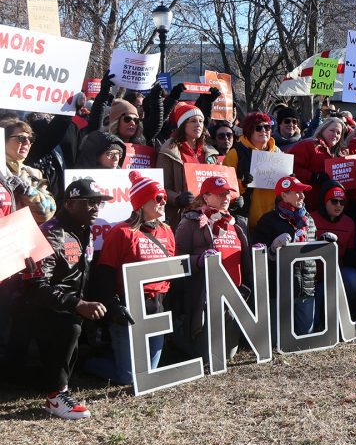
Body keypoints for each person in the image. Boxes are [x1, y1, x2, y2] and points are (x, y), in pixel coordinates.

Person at [22, 179, 111, 419]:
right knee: (69, 326)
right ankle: (56, 395)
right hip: (41, 308)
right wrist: (77, 305)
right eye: (90, 202)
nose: (95, 208)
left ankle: (61, 384)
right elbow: (36, 286)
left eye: (99, 203)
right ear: (70, 204)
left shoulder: (84, 230)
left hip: (69, 304)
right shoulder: (51, 233)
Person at [85, 171, 174, 384]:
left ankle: (116, 357)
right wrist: (114, 307)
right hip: (128, 308)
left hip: (156, 307)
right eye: (158, 198)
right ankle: (86, 361)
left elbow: (172, 272)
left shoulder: (167, 232)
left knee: (148, 373)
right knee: (130, 378)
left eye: (164, 198)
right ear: (141, 202)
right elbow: (104, 274)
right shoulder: (121, 233)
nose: (163, 202)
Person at [174, 175, 250, 360]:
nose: (225, 197)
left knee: (228, 355)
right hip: (205, 295)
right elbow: (176, 259)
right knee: (207, 356)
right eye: (219, 194)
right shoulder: (191, 222)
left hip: (233, 294)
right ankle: (176, 338)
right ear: (206, 197)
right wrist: (198, 261)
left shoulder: (237, 222)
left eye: (227, 193)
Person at [253, 176, 318, 334]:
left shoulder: (307, 219)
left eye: (303, 192)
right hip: (278, 290)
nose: (302, 196)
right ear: (283, 195)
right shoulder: (268, 220)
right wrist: (273, 249)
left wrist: (324, 243)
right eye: (297, 192)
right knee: (277, 340)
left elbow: (312, 252)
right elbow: (257, 258)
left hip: (306, 288)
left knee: (305, 336)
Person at [158, 102, 219, 226]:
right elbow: (161, 188)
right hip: (182, 218)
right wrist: (177, 198)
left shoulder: (210, 153)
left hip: (209, 217)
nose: (198, 125)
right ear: (183, 125)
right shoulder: (169, 152)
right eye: (193, 121)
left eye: (201, 121)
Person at [311, 181, 356, 318]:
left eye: (342, 202)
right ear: (324, 202)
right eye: (334, 201)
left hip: (336, 274)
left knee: (354, 280)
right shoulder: (311, 219)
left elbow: (349, 255)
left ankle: (338, 312)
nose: (339, 206)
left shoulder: (349, 222)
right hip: (312, 277)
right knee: (313, 322)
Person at [224, 112, 281, 230]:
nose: (264, 131)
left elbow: (284, 189)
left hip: (273, 218)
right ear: (249, 131)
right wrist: (243, 183)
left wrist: (289, 180)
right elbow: (225, 187)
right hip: (245, 219)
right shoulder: (235, 153)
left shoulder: (278, 153)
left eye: (267, 127)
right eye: (258, 128)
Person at [3, 119, 55, 223]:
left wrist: (26, 191)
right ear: (3, 140)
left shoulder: (33, 173)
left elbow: (48, 212)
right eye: (21, 138)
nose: (27, 143)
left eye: (30, 139)